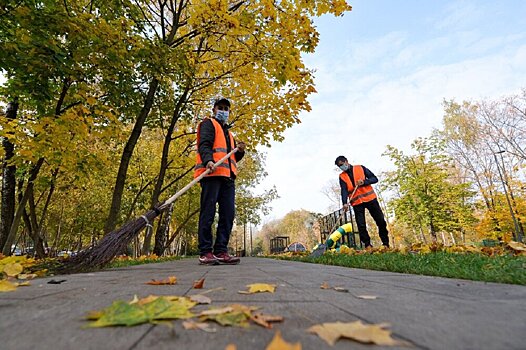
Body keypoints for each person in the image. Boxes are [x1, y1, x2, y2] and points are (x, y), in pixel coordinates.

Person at [195, 98, 246, 265]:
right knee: (208, 212)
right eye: (221, 108)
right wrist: (208, 160)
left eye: (226, 109)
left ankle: (221, 250)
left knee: (228, 214)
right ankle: (205, 251)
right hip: (211, 174)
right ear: (214, 109)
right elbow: (204, 145)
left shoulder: (229, 135)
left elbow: (231, 157)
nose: (223, 111)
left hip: (228, 177)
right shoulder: (208, 124)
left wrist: (240, 151)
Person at [335, 155, 389, 248]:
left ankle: (385, 243)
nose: (341, 168)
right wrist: (344, 203)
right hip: (356, 203)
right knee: (361, 225)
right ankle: (367, 245)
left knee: (380, 221)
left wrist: (364, 182)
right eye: (339, 167)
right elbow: (344, 190)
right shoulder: (342, 177)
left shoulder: (360, 168)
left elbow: (375, 179)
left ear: (346, 161)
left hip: (370, 199)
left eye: (342, 165)